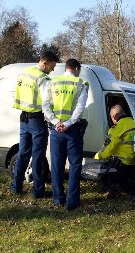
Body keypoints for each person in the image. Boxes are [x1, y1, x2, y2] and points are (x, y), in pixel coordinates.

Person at [11, 50, 59, 198]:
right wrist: (54, 119)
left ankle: (16, 187)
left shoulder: (25, 73)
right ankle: (38, 191)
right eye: (52, 65)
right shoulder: (43, 79)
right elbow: (46, 104)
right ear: (45, 63)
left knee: (23, 154)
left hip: (23, 118)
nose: (53, 69)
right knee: (38, 156)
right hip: (36, 120)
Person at [42, 58, 89, 210]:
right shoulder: (80, 84)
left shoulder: (52, 82)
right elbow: (79, 108)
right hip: (72, 130)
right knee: (75, 165)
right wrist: (68, 123)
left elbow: (45, 105)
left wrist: (56, 122)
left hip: (56, 130)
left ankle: (58, 199)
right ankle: (72, 202)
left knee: (56, 165)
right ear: (76, 68)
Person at [94, 104, 135, 197]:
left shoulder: (117, 128)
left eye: (111, 118)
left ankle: (115, 190)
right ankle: (129, 189)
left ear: (114, 116)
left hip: (123, 163)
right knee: (128, 179)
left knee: (103, 174)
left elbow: (108, 148)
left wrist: (98, 155)